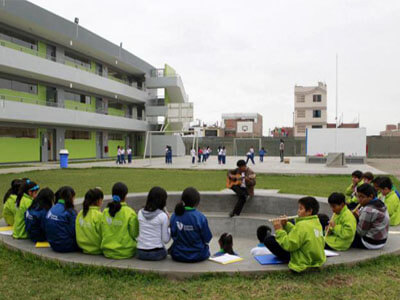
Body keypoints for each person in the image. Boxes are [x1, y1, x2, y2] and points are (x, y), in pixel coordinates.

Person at [264, 196, 326, 273]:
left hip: (303, 259)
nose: (298, 211)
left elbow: (289, 245)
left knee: (269, 240)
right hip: (314, 257)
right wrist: (286, 225)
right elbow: (299, 233)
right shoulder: (316, 222)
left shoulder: (302, 225)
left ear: (309, 211)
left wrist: (279, 230)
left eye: (301, 209)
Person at [170, 187, 212, 262]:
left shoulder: (174, 216)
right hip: (198, 255)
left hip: (178, 254)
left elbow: (173, 235)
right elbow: (207, 238)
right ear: (197, 202)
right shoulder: (200, 217)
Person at [100, 182, 139, 259]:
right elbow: (134, 233)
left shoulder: (105, 211)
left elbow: (102, 230)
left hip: (107, 251)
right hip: (126, 252)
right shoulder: (130, 212)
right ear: (125, 196)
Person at [137, 187, 171, 261]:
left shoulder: (140, 213)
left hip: (141, 252)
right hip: (157, 253)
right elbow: (165, 239)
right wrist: (169, 226)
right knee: (166, 250)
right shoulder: (162, 216)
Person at [351, 183, 389, 249]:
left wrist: (356, 218)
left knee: (345, 235)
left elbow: (360, 232)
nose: (359, 199)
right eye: (358, 196)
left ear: (370, 196)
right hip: (382, 241)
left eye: (362, 197)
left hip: (370, 242)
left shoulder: (368, 210)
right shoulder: (380, 202)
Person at [45, 186, 79, 252]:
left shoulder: (52, 208)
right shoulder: (69, 211)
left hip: (52, 244)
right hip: (65, 246)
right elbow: (75, 231)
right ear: (71, 197)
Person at [76, 188, 104, 255]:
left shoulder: (80, 213)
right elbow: (104, 234)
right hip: (97, 249)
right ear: (98, 201)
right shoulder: (99, 216)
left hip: (82, 247)